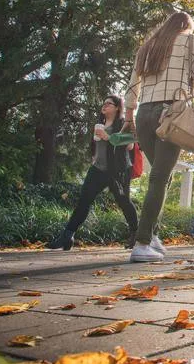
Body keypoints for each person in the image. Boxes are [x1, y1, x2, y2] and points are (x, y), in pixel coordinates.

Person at [124, 12, 194, 262]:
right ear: (186, 26)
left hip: (144, 115)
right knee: (159, 177)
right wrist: (187, 91)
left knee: (162, 174)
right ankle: (141, 242)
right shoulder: (190, 41)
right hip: (170, 115)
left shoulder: (148, 46)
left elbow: (132, 85)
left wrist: (129, 117)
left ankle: (153, 233)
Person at [47, 95, 137, 251]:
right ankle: (67, 236)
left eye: (108, 104)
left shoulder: (122, 124)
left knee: (124, 202)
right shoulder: (100, 124)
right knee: (84, 201)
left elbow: (130, 145)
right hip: (98, 169)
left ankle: (136, 236)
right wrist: (94, 157)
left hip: (118, 170)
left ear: (117, 107)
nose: (104, 106)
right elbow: (97, 147)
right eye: (103, 103)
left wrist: (109, 137)